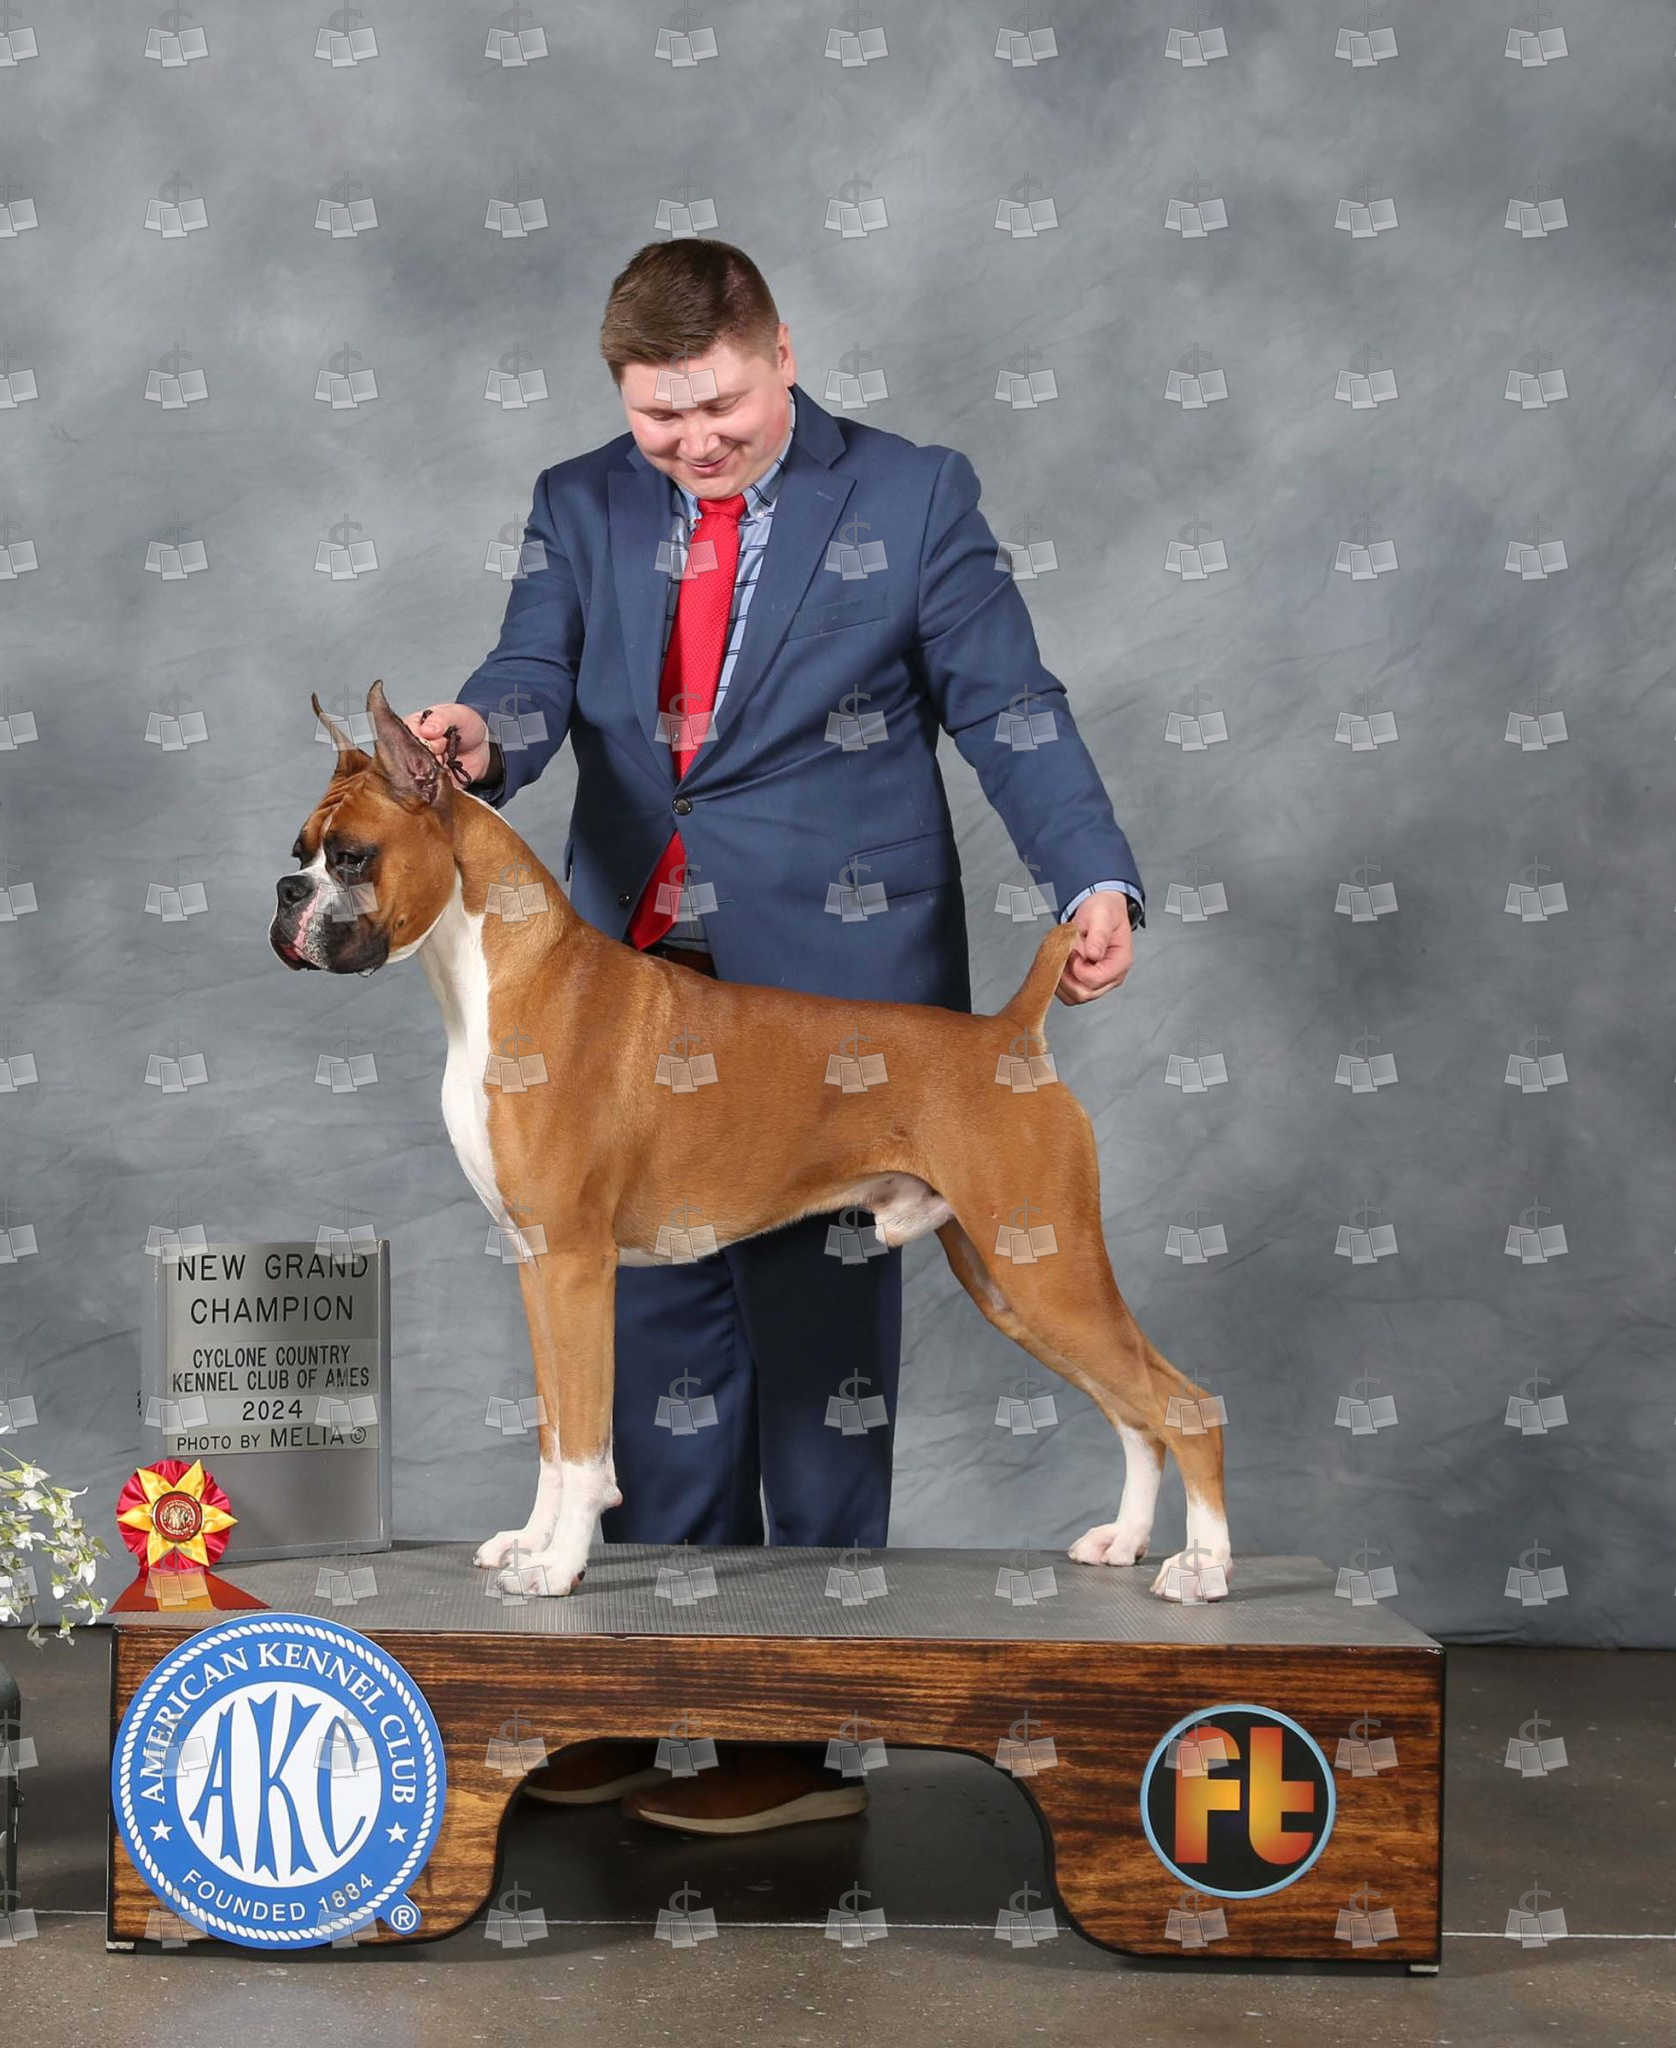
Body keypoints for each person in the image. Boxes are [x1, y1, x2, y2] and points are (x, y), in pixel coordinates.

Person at [405, 238, 1146, 1835]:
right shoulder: (579, 501)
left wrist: (1089, 875)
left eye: (718, 404)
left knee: (820, 1357)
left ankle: (802, 1727)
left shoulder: (914, 495)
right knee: (651, 1329)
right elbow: (531, 677)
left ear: (784, 355)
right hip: (625, 974)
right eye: (658, 414)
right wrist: (477, 732)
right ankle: (643, 1692)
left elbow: (1009, 703)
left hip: (840, 989)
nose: (691, 440)